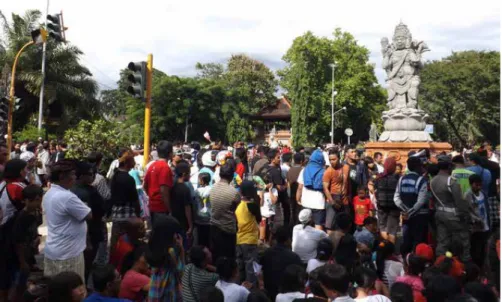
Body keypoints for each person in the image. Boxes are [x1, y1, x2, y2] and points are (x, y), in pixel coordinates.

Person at [43, 160, 91, 282]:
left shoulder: (50, 192)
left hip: (56, 250)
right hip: (68, 254)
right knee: (72, 291)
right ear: (62, 177)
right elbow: (88, 214)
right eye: (73, 174)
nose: (75, 178)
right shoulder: (66, 197)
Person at [430, 155, 471, 261]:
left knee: (442, 241)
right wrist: (466, 214)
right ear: (449, 167)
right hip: (453, 215)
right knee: (463, 240)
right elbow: (460, 202)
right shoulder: (451, 181)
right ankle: (464, 264)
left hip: (439, 213)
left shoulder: (433, 181)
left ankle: (440, 263)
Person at [71, 161, 106, 282]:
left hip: (80, 234)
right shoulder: (86, 193)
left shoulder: (72, 190)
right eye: (91, 174)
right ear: (81, 176)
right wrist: (88, 241)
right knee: (85, 266)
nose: (93, 177)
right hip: (90, 233)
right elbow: (86, 218)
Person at [11, 184, 43, 300]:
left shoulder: (36, 212)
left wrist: (36, 238)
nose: (37, 203)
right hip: (21, 256)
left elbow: (34, 229)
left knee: (27, 278)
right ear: (25, 201)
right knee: (20, 282)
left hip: (30, 252)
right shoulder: (22, 217)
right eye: (34, 201)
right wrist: (22, 261)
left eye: (39, 200)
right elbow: (18, 241)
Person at [394, 156, 429, 257]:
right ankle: (416, 264)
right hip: (420, 217)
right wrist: (411, 211)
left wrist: (405, 210)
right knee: (418, 242)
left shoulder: (401, 179)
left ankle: (406, 262)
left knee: (407, 240)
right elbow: (421, 201)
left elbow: (396, 198)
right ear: (418, 167)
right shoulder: (422, 180)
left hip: (406, 217)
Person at [109, 151, 141, 258]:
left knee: (116, 241)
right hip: (128, 215)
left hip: (116, 214)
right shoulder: (129, 179)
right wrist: (138, 214)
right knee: (129, 242)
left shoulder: (115, 176)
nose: (133, 166)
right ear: (127, 164)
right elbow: (134, 199)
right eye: (132, 163)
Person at [146, 214, 185, 301]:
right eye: (174, 234)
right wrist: (181, 249)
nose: (176, 236)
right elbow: (181, 273)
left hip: (156, 291)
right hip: (168, 291)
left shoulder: (153, 248)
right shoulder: (171, 252)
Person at [260, 226, 303, 300]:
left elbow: (260, 271)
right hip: (286, 293)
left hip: (269, 291)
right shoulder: (294, 257)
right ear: (288, 240)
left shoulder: (266, 253)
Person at [210, 162, 241, 260]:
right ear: (232, 176)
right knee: (228, 257)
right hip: (228, 229)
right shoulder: (234, 192)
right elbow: (237, 210)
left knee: (216, 255)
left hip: (214, 226)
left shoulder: (212, 188)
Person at [236, 181, 261, 284]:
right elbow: (259, 219)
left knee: (240, 267)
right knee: (250, 269)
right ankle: (251, 292)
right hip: (250, 241)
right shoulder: (252, 205)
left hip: (238, 239)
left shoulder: (237, 205)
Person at [144, 141, 174, 224]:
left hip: (152, 207)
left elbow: (145, 185)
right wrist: (170, 209)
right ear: (170, 153)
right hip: (162, 209)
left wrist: (152, 196)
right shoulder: (165, 168)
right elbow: (164, 190)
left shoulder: (152, 165)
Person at [465, 174, 490, 268]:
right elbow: (468, 211)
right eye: (477, 185)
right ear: (471, 184)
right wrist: (477, 220)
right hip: (476, 229)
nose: (479, 187)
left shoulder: (483, 193)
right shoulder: (468, 195)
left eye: (480, 185)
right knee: (476, 250)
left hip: (485, 226)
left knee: (483, 250)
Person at [297, 150, 326, 230]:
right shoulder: (324, 171)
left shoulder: (304, 170)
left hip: (306, 202)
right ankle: (317, 242)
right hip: (319, 203)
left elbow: (300, 187)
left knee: (305, 224)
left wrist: (298, 198)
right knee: (318, 224)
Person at [374, 157, 400, 244]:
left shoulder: (379, 177)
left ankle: (384, 249)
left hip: (381, 206)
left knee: (383, 227)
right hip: (394, 207)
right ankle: (391, 251)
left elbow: (375, 189)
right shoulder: (397, 178)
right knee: (392, 230)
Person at [171, 160, 194, 243]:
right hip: (183, 223)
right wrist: (190, 226)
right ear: (184, 174)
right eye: (189, 173)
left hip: (173, 220)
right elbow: (187, 209)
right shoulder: (185, 189)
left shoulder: (172, 186)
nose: (190, 175)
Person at [322, 149, 344, 232]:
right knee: (329, 225)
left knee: (341, 225)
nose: (331, 162)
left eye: (334, 159)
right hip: (332, 198)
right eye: (330, 160)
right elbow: (325, 188)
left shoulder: (345, 168)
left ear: (339, 158)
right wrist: (332, 202)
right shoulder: (328, 171)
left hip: (343, 199)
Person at [268, 149, 289, 226]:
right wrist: (287, 184)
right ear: (272, 159)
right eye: (278, 157)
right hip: (278, 196)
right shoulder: (274, 171)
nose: (279, 159)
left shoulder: (275, 167)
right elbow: (280, 187)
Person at [342, 145, 360, 225]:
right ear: (347, 154)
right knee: (348, 216)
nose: (354, 154)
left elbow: (364, 180)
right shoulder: (342, 165)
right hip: (347, 195)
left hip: (359, 195)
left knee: (359, 216)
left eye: (355, 151)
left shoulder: (361, 165)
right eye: (352, 152)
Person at [287, 152, 304, 226]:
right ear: (301, 161)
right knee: (301, 210)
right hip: (301, 195)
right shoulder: (304, 170)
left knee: (293, 210)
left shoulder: (290, 170)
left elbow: (288, 181)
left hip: (292, 194)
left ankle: (294, 225)